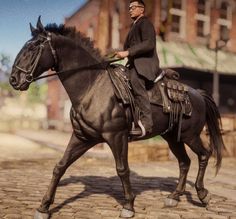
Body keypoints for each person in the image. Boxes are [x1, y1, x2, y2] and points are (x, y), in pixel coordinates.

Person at [116, 0, 160, 136]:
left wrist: (128, 52)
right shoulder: (133, 26)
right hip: (133, 64)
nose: (130, 10)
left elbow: (149, 43)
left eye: (133, 7)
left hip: (145, 64)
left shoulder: (145, 23)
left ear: (141, 9)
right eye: (129, 8)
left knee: (135, 81)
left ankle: (147, 123)